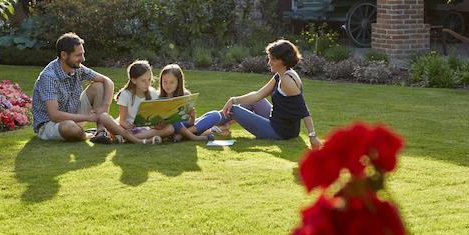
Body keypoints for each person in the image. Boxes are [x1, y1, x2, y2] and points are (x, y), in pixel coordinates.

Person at [194, 39, 322, 149]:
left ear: (283, 60)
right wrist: (233, 99)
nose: (268, 62)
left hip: (280, 131)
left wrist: (312, 136)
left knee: (234, 110)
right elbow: (258, 95)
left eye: (272, 59)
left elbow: (303, 110)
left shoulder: (288, 81)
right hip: (279, 123)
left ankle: (195, 128)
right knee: (250, 100)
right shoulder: (282, 74)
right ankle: (210, 124)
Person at [31, 33, 142, 144]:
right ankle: (88, 135)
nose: (83, 59)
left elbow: (107, 81)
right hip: (49, 125)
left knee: (99, 85)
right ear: (64, 55)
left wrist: (103, 108)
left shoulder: (77, 68)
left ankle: (101, 131)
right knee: (70, 127)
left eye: (82, 54)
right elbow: (54, 115)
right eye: (78, 55)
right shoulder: (49, 77)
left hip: (74, 115)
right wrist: (88, 117)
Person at [115, 60, 172, 145]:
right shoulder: (125, 94)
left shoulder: (152, 93)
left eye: (149, 80)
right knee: (105, 118)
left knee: (170, 128)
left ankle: (127, 138)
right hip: (128, 128)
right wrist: (127, 125)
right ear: (134, 80)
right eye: (143, 81)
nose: (147, 83)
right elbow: (122, 121)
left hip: (146, 130)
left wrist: (157, 125)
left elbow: (154, 118)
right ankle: (134, 138)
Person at [157, 63, 214, 142]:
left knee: (215, 115)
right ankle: (193, 137)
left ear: (178, 82)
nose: (168, 85)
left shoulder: (186, 95)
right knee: (173, 119)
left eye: (172, 82)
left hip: (187, 127)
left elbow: (190, 123)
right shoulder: (158, 97)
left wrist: (193, 117)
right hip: (170, 128)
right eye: (165, 82)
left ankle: (180, 135)